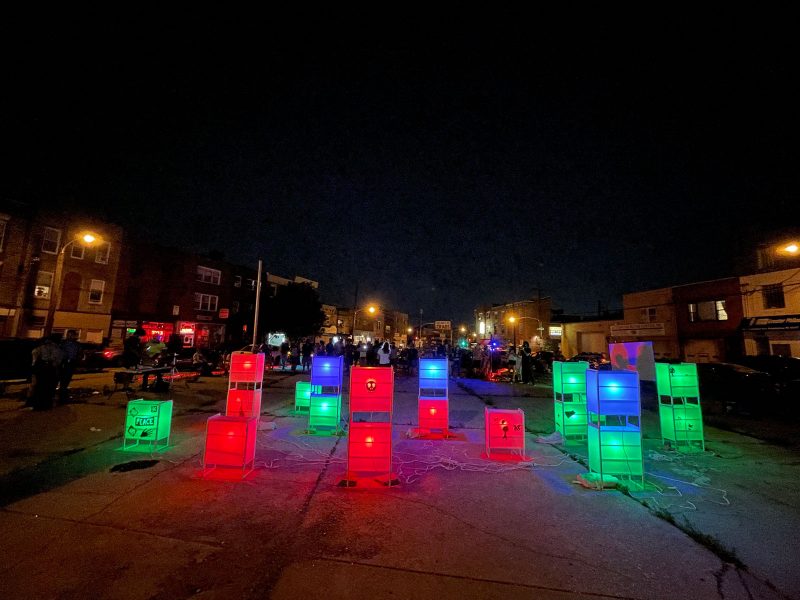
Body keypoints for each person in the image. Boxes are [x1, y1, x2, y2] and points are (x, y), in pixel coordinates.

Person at [29, 334, 63, 410]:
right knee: (49, 387)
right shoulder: (57, 349)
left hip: (41, 369)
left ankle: (37, 404)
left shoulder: (42, 347)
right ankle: (46, 404)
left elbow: (34, 353)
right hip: (51, 370)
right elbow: (58, 361)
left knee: (40, 386)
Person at [58, 330, 81, 404]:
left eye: (72, 335)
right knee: (62, 379)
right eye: (69, 335)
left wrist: (77, 360)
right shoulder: (62, 343)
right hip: (63, 363)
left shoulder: (77, 344)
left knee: (67, 379)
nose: (70, 336)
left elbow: (79, 353)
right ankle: (61, 395)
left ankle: (63, 395)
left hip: (71, 363)